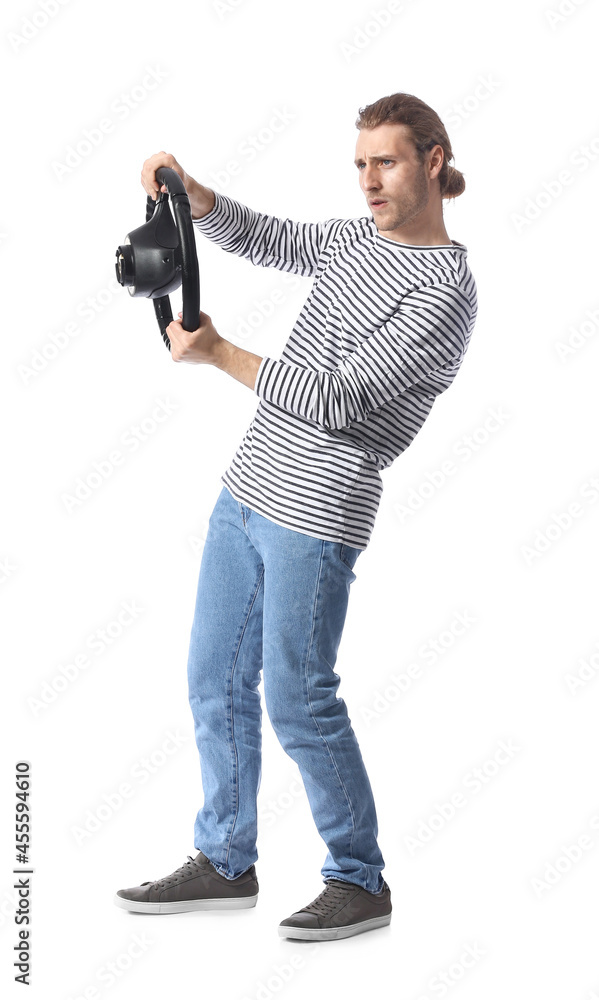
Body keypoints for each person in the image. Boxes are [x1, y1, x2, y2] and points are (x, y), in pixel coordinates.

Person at [114, 92, 478, 942]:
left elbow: (334, 400)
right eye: (358, 165)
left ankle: (358, 878)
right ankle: (224, 860)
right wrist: (193, 195)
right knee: (212, 683)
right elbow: (272, 239)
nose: (368, 182)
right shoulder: (356, 239)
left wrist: (216, 353)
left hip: (318, 513)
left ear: (431, 159)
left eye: (384, 161)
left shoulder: (445, 293)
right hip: (246, 492)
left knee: (299, 701)